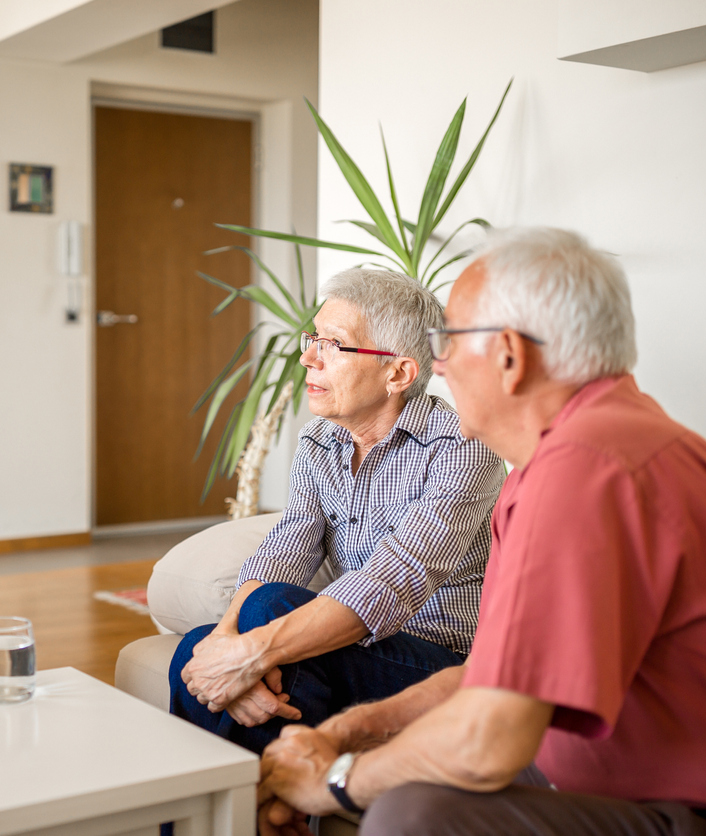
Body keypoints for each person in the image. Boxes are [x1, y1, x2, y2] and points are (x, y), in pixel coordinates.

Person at [255, 228, 706, 836]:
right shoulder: (573, 456)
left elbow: (491, 737)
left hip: (682, 808)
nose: (437, 367)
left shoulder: (590, 472)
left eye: (448, 342)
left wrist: (334, 781)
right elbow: (488, 673)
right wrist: (352, 730)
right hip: (598, 779)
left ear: (508, 356)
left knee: (409, 812)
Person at [171, 269, 504, 754]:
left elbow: (394, 578)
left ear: (398, 374)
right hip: (354, 647)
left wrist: (249, 652)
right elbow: (285, 549)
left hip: (438, 660)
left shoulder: (463, 450)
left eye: (332, 345)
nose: (307, 357)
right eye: (313, 339)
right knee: (196, 644)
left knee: (267, 613)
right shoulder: (317, 442)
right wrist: (225, 639)